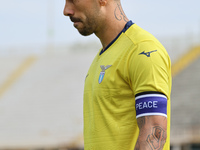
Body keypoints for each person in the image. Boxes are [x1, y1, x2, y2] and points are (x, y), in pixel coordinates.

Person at [63, 0, 171, 149]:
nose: (66, 10)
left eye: (73, 0)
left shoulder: (142, 50)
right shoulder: (101, 59)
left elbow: (154, 134)